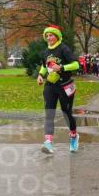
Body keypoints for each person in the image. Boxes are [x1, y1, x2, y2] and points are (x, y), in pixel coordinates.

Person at [36, 25, 81, 154]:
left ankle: (73, 136)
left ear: (57, 36)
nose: (48, 38)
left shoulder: (63, 49)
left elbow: (76, 64)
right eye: (47, 36)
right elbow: (44, 66)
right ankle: (48, 142)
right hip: (50, 86)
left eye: (51, 35)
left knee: (66, 112)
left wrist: (61, 68)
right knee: (49, 113)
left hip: (65, 85)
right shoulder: (46, 52)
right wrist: (40, 75)